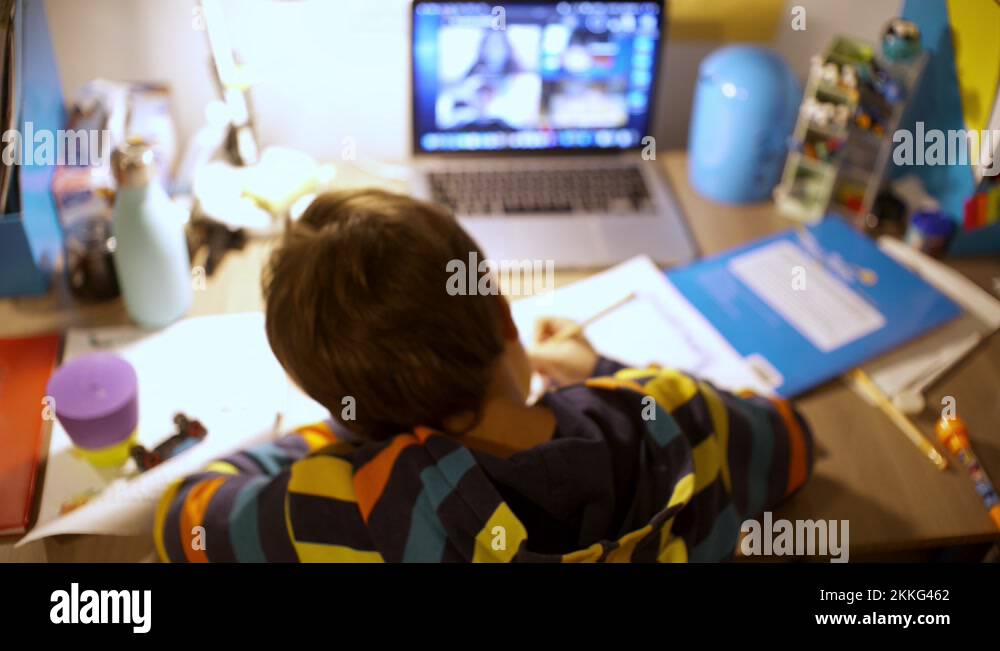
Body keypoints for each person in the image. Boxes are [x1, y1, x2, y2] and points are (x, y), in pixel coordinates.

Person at [154, 189, 813, 562]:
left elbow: (184, 517)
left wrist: (328, 438)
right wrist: (609, 372)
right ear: (502, 310)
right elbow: (793, 439)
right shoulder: (679, 417)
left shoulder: (340, 507)